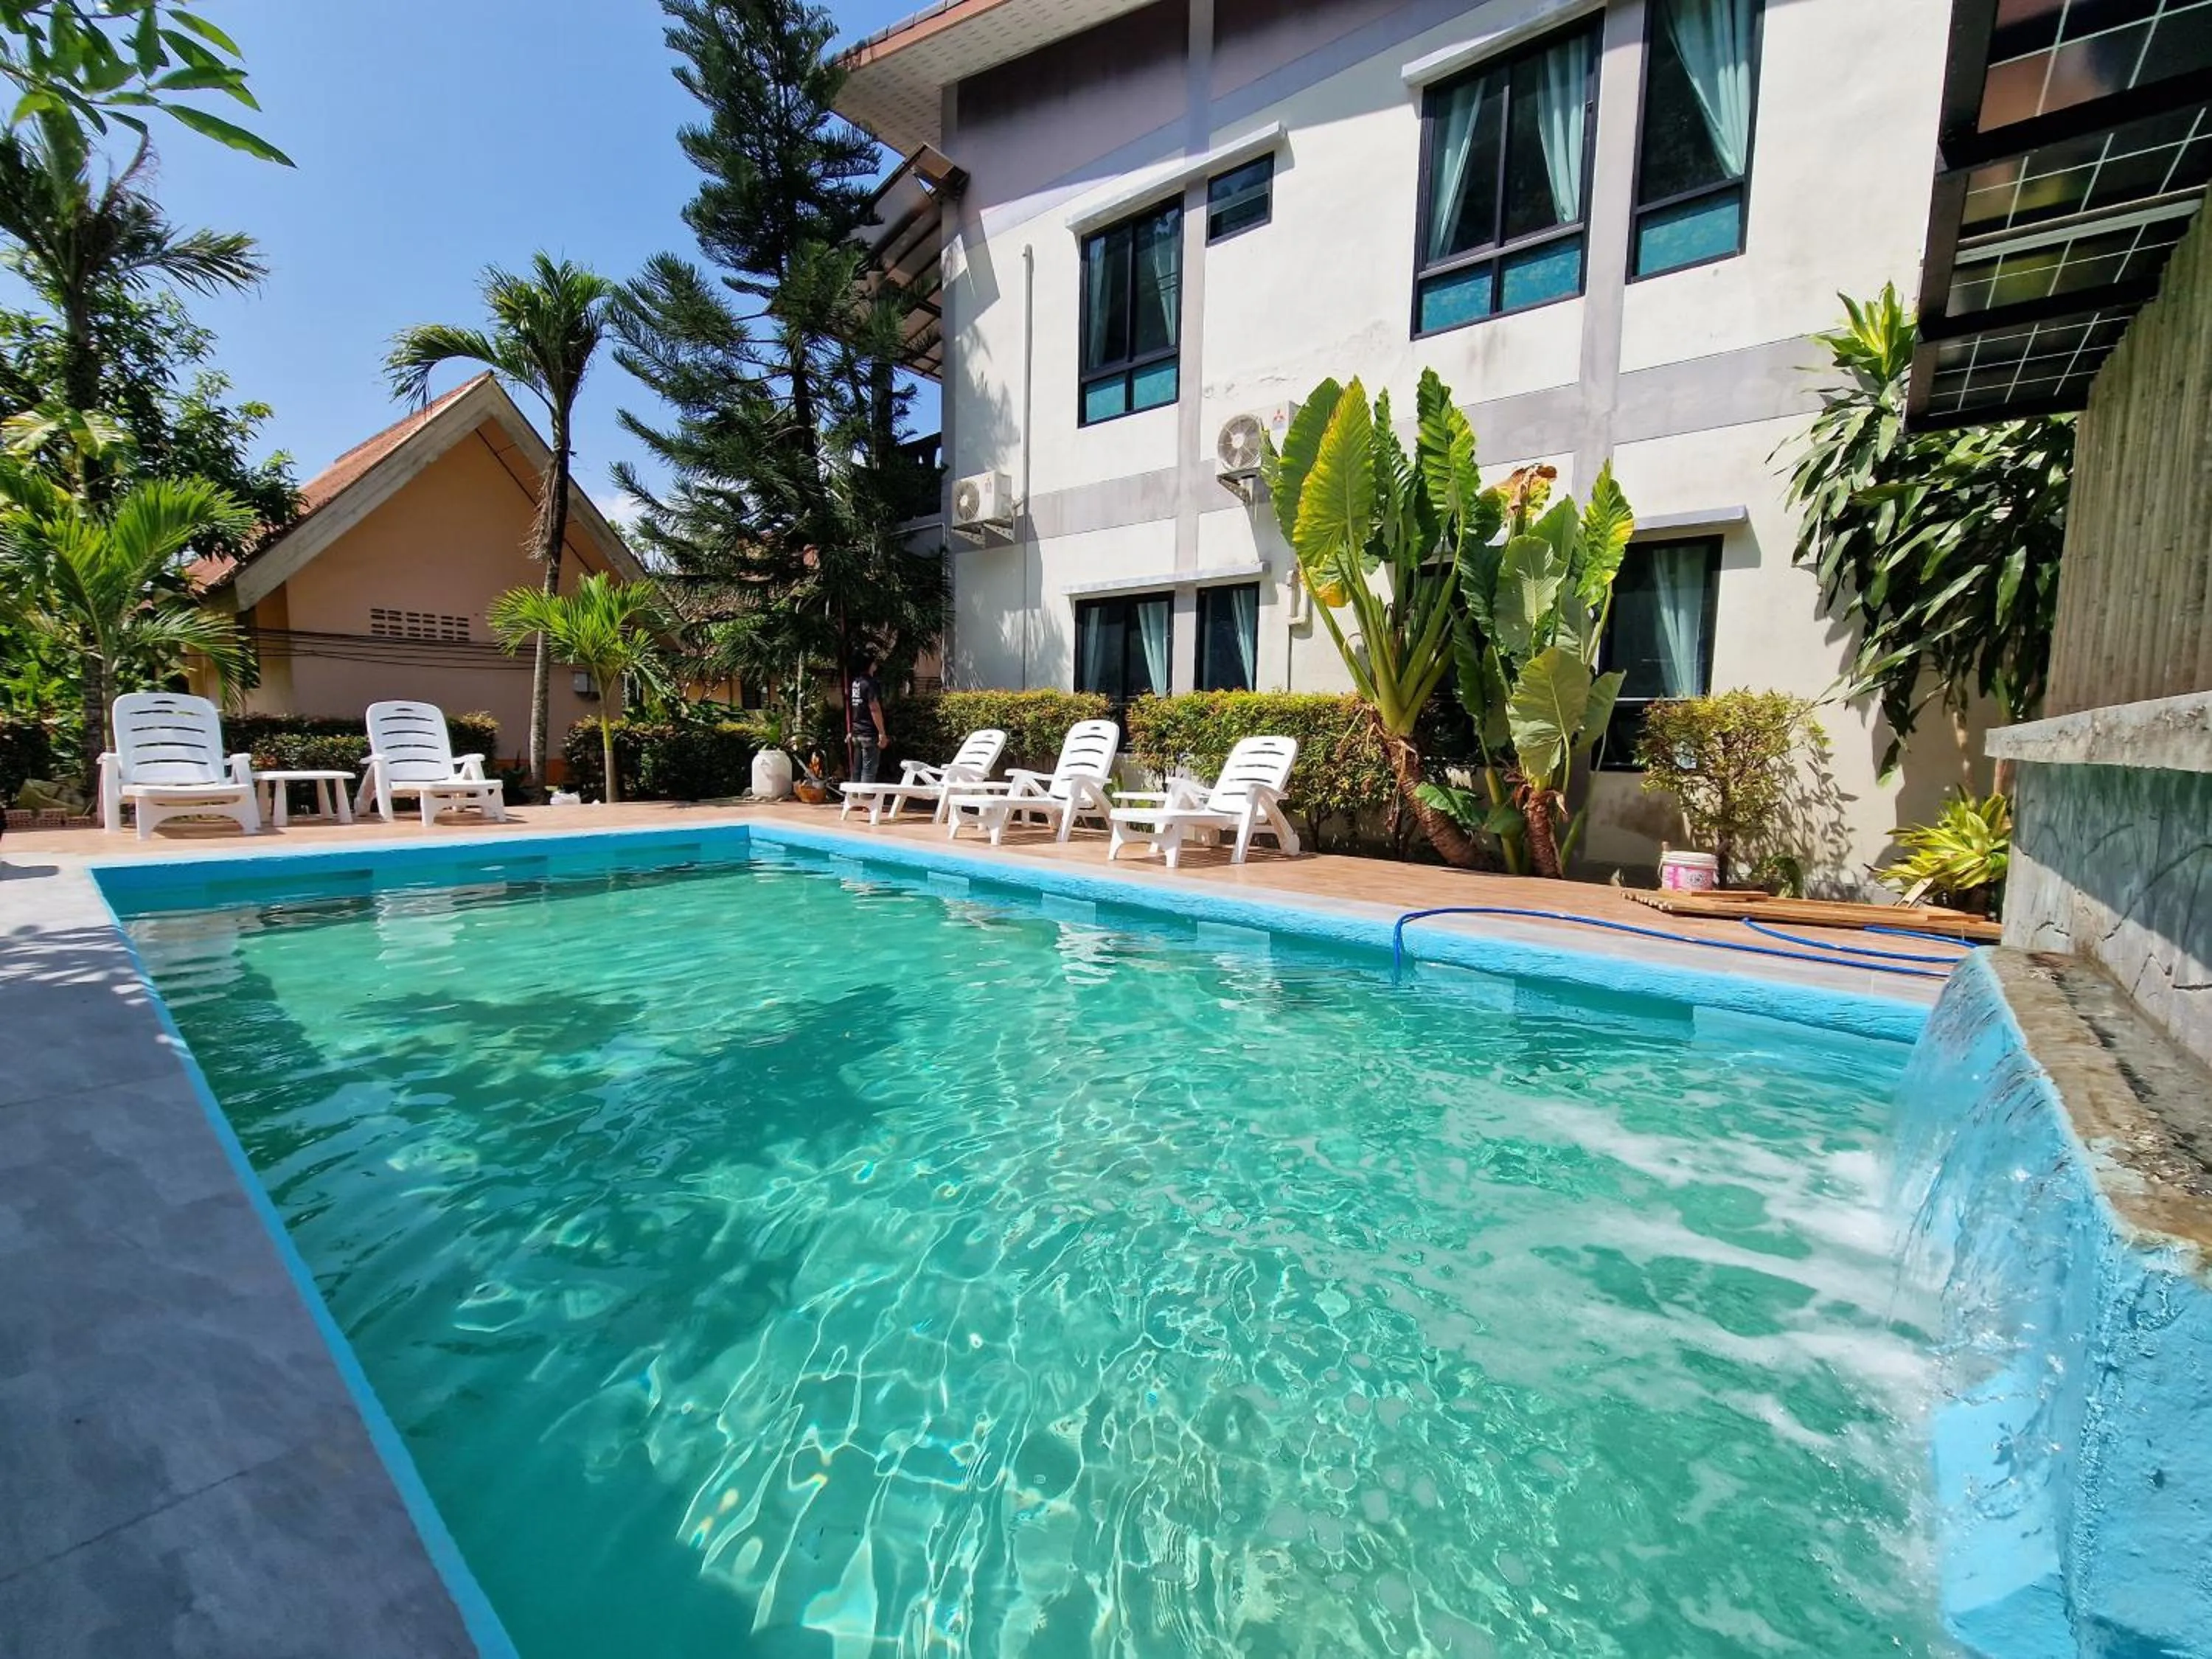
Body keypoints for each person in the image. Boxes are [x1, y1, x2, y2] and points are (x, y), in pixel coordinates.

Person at [848, 657, 888, 785]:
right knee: (868, 770)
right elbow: (874, 709)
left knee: (857, 770)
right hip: (869, 732)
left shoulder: (856, 683)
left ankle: (854, 799)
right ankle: (865, 801)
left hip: (857, 732)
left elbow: (854, 708)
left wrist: (851, 730)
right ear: (869, 665)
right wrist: (881, 732)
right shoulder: (870, 683)